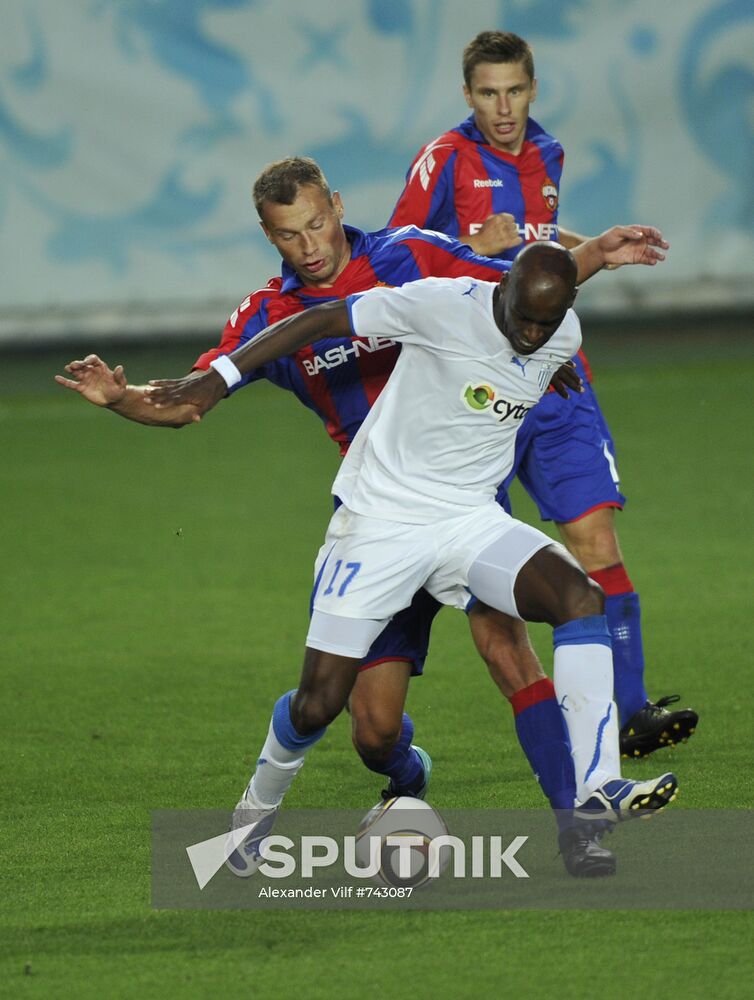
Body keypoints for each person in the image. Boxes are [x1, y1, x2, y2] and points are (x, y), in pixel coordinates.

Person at [56, 159, 673, 876]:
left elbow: (521, 286)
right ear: (268, 235)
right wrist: (127, 399)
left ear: (337, 207)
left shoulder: (411, 256)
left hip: (466, 511)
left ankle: (583, 817)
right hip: (377, 523)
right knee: (350, 719)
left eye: (317, 223)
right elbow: (189, 399)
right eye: (290, 235)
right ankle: (338, 796)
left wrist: (579, 276)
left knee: (537, 627)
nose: (310, 244)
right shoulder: (269, 317)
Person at [388, 30, 698, 758]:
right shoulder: (444, 160)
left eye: (515, 91)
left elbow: (535, 249)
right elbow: (396, 269)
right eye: (488, 93)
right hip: (473, 396)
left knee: (595, 539)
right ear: (468, 95)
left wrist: (590, 250)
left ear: (533, 88)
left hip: (555, 379)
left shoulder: (546, 154)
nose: (503, 107)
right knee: (495, 588)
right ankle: (558, 742)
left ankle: (631, 713)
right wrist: (475, 248)